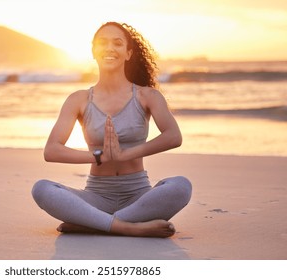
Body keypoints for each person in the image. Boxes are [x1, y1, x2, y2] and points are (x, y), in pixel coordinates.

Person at [32, 22, 192, 238]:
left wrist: (125, 154)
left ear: (128, 53)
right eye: (102, 43)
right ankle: (127, 227)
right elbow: (51, 150)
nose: (109, 48)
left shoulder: (147, 96)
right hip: (96, 196)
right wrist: (100, 156)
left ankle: (90, 223)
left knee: (181, 186)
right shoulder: (78, 99)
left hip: (138, 196)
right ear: (93, 52)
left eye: (117, 43)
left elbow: (174, 136)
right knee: (42, 189)